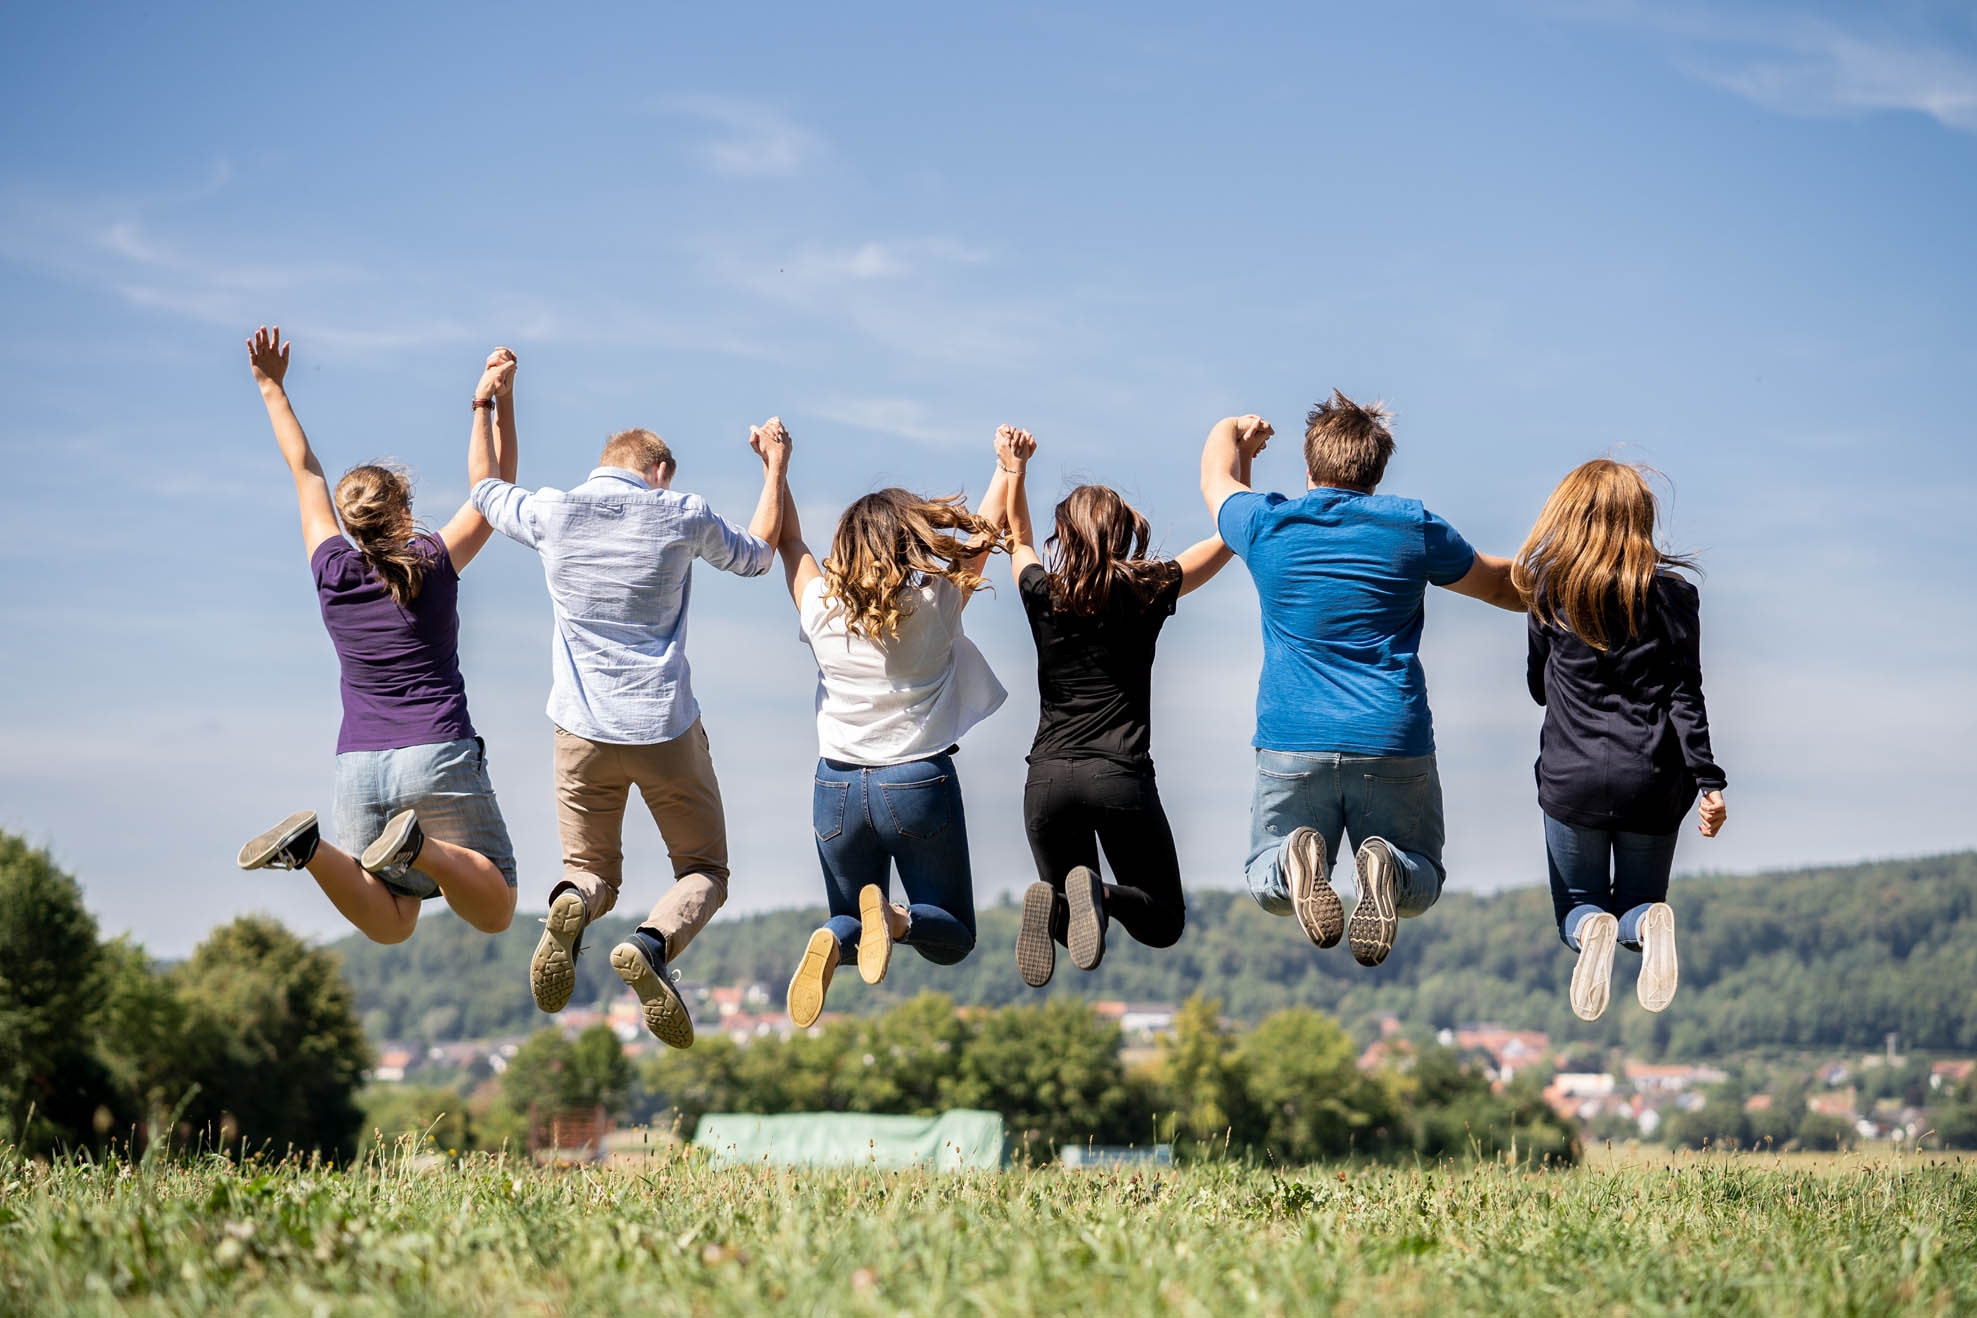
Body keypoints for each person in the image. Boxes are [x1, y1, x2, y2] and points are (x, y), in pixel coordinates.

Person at [471, 404, 789, 1049]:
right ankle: (651, 944)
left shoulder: (553, 511)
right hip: (664, 728)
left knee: (591, 867)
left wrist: (489, 403)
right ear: (659, 470)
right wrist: (775, 467)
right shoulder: (679, 512)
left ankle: (576, 905)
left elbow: (482, 489)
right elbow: (758, 556)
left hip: (581, 730)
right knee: (704, 870)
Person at [1201, 395, 1525, 967]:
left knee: (1264, 877)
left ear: (1308, 468)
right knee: (1418, 880)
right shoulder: (1412, 526)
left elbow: (1216, 477)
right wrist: (1589, 582)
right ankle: (1388, 865)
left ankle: (1293, 860)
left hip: (1293, 739)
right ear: (1376, 471)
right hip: (1390, 737)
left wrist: (1236, 427)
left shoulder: (1266, 523)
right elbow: (1503, 586)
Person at [234, 327, 520, 944]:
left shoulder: (332, 569)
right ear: (404, 509)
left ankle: (309, 849)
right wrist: (490, 402)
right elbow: (494, 489)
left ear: (349, 519)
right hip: (436, 752)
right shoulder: (434, 560)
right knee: (496, 907)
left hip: (359, 765)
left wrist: (269, 386)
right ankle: (426, 850)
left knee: (392, 924)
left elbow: (305, 470)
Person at [775, 446, 1013, 1028]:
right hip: (914, 782)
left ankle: (834, 934)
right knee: (951, 932)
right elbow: (984, 535)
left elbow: (790, 542)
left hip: (835, 789)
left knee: (853, 932)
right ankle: (897, 918)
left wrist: (775, 468)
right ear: (911, 543)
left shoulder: (821, 609)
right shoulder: (935, 602)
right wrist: (1009, 469)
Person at [995, 426, 1238, 985]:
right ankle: (1098, 890)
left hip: (1047, 781)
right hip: (1118, 776)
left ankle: (1076, 894)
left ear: (1067, 536)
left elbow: (1017, 537)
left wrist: (1015, 468)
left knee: (1072, 925)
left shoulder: (1042, 594)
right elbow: (1226, 540)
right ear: (1122, 531)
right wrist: (1240, 467)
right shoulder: (1148, 589)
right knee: (1161, 921)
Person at [1514, 459, 1727, 1021]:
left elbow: (1538, 685)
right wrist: (1709, 781)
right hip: (1653, 781)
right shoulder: (1674, 595)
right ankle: (1647, 922)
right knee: (1642, 906)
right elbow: (1686, 693)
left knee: (1578, 911)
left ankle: (1593, 928)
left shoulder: (1550, 589)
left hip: (1572, 782)